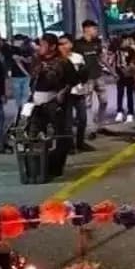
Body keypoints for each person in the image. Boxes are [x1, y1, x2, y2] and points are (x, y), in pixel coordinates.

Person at [29, 33, 77, 175]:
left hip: (55, 102)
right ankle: (39, 165)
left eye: (43, 45)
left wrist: (63, 92)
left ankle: (56, 166)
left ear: (52, 46)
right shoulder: (36, 60)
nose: (40, 48)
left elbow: (73, 80)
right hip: (37, 101)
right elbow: (32, 79)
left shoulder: (63, 62)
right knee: (35, 134)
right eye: (40, 45)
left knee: (61, 135)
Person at [58, 36, 93, 152]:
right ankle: (70, 145)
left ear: (71, 44)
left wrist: (85, 85)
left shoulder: (78, 57)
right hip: (66, 93)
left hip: (79, 91)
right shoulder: (58, 59)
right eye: (60, 44)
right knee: (67, 121)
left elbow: (84, 73)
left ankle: (80, 143)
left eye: (65, 43)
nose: (63, 46)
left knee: (82, 118)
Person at [74, 20, 108, 137]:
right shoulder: (77, 44)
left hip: (98, 75)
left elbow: (101, 58)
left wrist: (112, 71)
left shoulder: (97, 42)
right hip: (86, 78)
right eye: (94, 29)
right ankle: (90, 128)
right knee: (88, 104)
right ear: (87, 29)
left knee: (104, 101)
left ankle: (101, 124)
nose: (96, 31)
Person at [113, 36, 135, 123]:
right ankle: (119, 111)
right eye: (123, 41)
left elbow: (134, 61)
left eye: (126, 40)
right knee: (120, 94)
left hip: (130, 75)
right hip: (120, 75)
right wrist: (117, 72)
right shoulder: (117, 51)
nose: (125, 42)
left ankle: (130, 113)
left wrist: (129, 70)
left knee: (129, 94)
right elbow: (116, 63)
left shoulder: (132, 50)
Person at [4, 35, 32, 110]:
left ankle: (22, 112)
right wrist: (27, 74)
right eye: (20, 40)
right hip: (17, 75)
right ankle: (20, 112)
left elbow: (29, 60)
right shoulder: (12, 49)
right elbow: (18, 63)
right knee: (20, 96)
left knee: (23, 96)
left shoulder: (25, 49)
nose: (21, 42)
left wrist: (22, 58)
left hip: (20, 76)